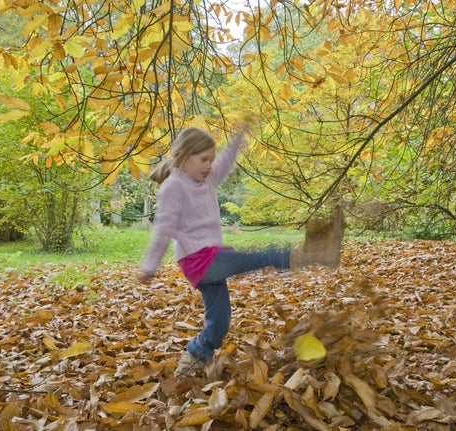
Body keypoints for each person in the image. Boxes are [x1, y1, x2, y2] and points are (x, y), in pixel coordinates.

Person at [138, 125, 344, 378]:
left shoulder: (206, 179)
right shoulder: (173, 188)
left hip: (212, 259)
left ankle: (192, 360)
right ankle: (314, 253)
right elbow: (162, 230)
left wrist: (240, 137)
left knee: (220, 320)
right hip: (199, 261)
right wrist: (149, 266)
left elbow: (225, 162)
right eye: (203, 160)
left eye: (210, 160)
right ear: (182, 156)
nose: (208, 166)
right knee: (259, 257)